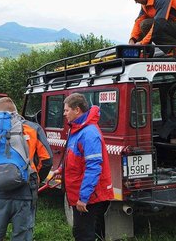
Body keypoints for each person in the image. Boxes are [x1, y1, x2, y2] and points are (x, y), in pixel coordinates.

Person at [0, 97, 53, 241]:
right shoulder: (33, 128)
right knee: (22, 235)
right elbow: (47, 160)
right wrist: (35, 179)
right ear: (15, 111)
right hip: (25, 191)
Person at [63, 93, 114, 241]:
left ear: (77, 110)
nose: (64, 114)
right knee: (87, 232)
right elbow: (76, 158)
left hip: (89, 197)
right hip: (82, 194)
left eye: (67, 110)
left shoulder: (88, 133)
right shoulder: (77, 129)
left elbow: (93, 167)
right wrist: (60, 170)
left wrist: (83, 198)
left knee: (83, 234)